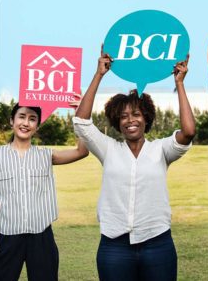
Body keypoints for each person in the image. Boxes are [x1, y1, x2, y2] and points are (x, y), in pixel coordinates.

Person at [72, 47, 196, 281]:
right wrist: (99, 74)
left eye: (137, 114)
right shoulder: (108, 149)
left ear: (146, 118)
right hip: (114, 246)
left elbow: (188, 131)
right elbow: (81, 122)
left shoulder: (161, 149)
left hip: (157, 243)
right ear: (117, 122)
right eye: (124, 116)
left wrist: (179, 83)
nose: (130, 120)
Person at [0, 103, 89, 281]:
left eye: (32, 119)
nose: (26, 123)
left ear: (37, 126)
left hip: (42, 236)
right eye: (21, 116)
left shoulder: (46, 156)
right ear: (12, 120)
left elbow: (82, 151)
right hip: (8, 237)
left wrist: (78, 115)